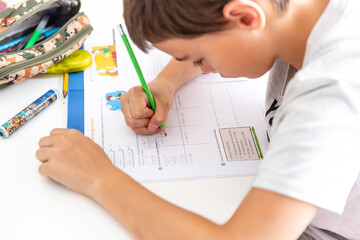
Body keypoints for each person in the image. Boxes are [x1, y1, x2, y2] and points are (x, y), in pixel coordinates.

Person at [35, 0, 360, 239]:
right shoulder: (305, 15)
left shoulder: (335, 89)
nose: (198, 65)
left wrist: (98, 178)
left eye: (198, 57)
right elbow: (223, 39)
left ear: (246, 16)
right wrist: (165, 84)